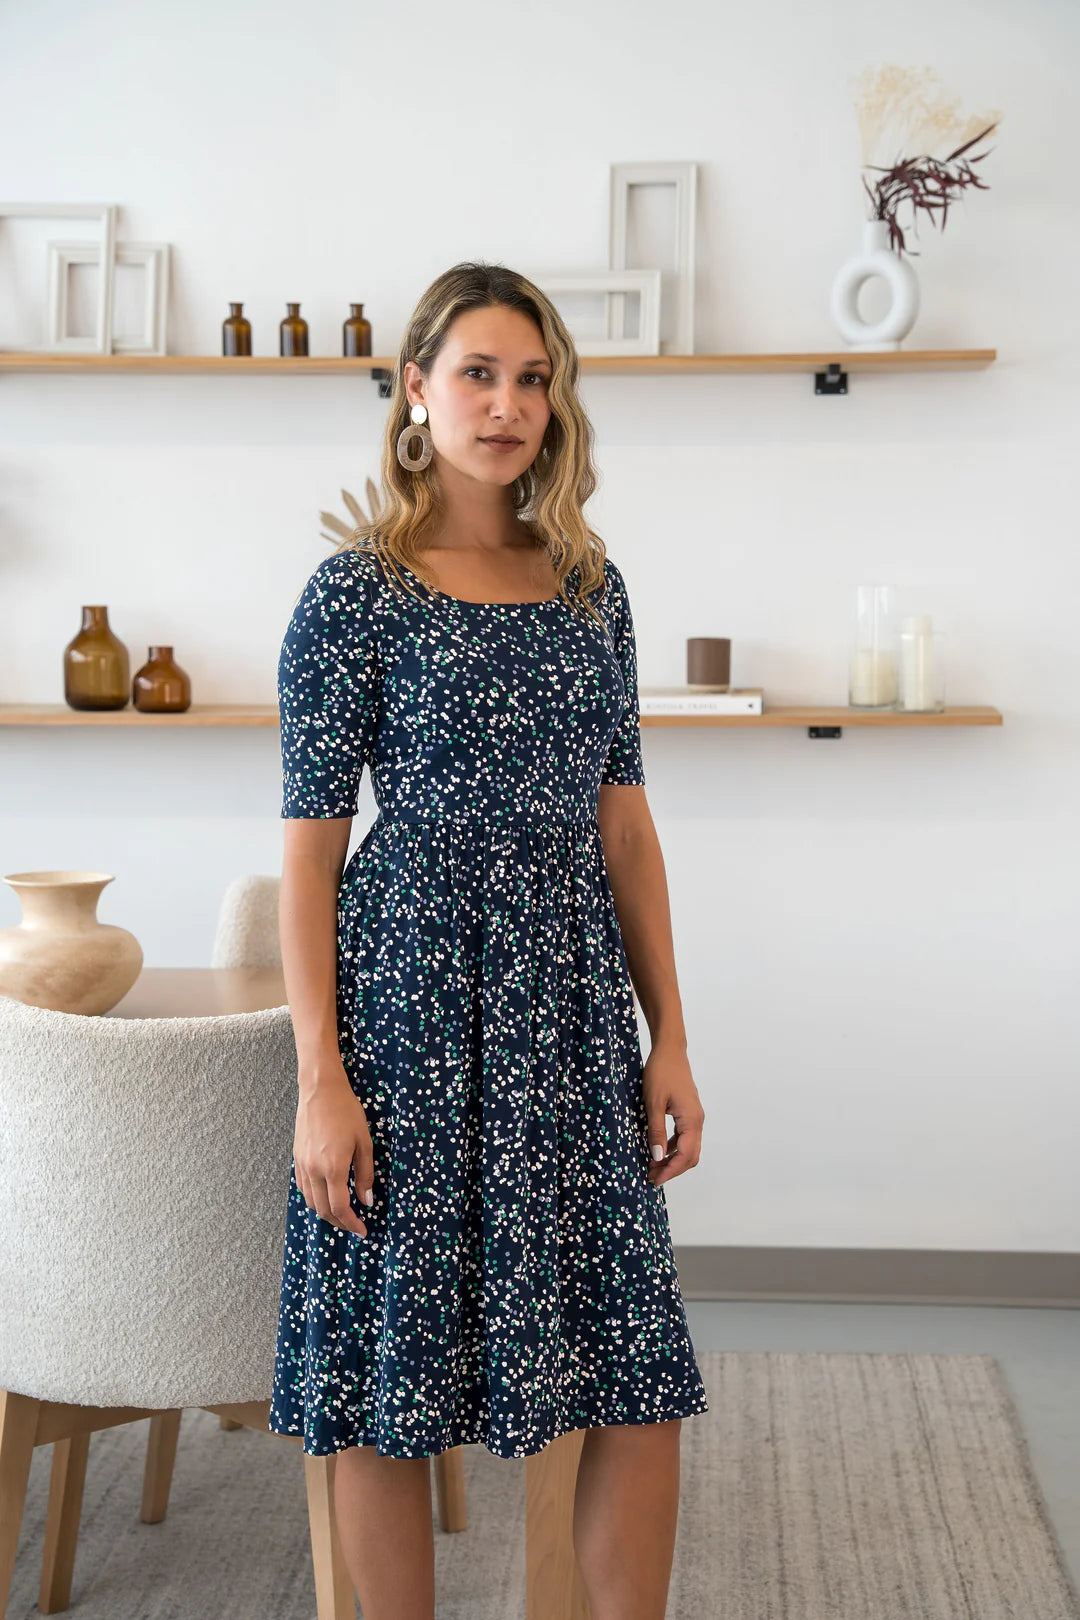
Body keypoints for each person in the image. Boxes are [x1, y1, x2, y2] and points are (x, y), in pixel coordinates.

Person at [267, 260, 708, 1620]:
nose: (506, 402)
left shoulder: (590, 586)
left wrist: (672, 1036)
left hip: (571, 1021)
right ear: (415, 391)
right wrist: (320, 1076)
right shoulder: (356, 597)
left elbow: (624, 830)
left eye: (532, 377)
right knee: (393, 1385)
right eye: (476, 372)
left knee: (636, 1370)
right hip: (408, 1014)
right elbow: (310, 851)